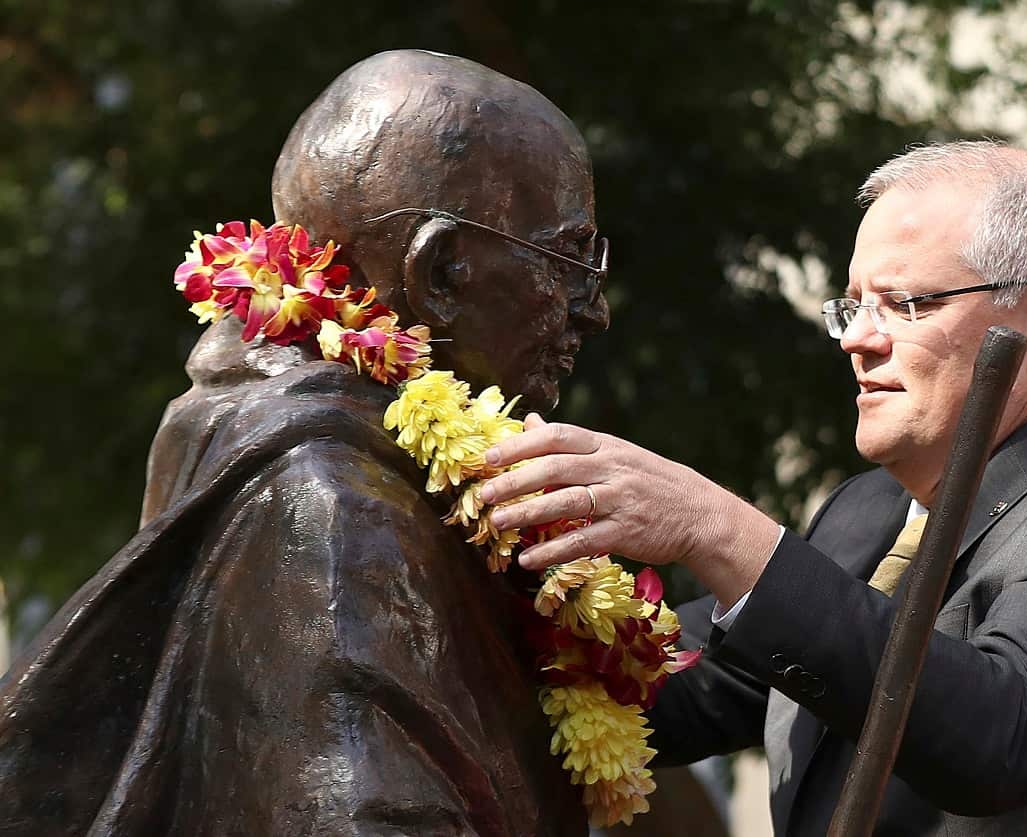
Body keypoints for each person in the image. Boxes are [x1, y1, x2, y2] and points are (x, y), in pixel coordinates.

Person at [479, 141, 1027, 836]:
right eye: (852, 305)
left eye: (905, 304)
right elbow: (661, 691)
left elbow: (1006, 733)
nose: (855, 338)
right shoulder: (865, 511)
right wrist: (473, 546)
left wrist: (719, 530)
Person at [0, 50, 607, 835]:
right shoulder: (338, 515)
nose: (593, 312)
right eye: (570, 259)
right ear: (441, 275)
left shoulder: (279, 438)